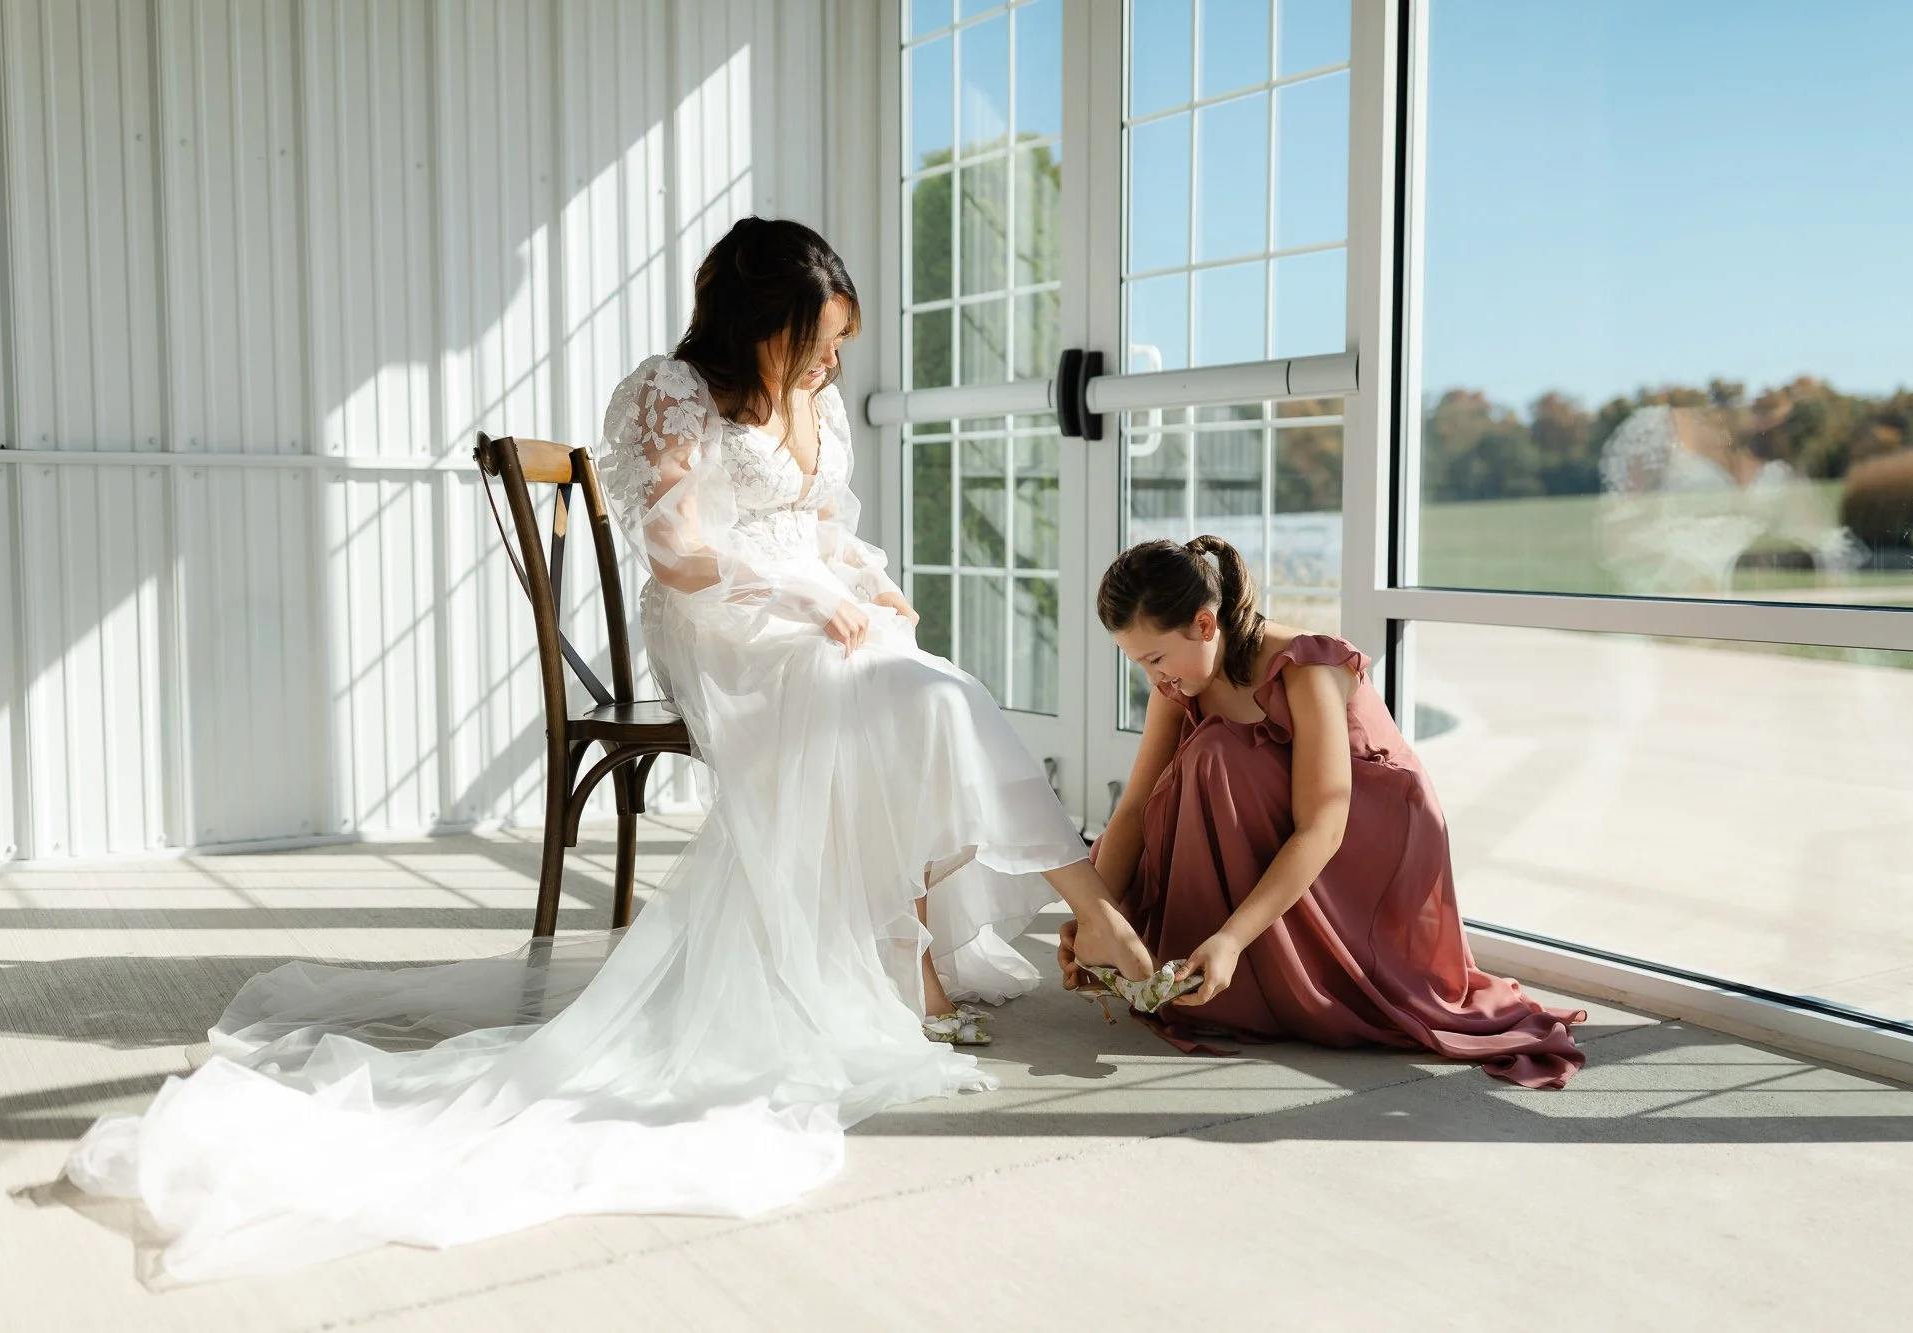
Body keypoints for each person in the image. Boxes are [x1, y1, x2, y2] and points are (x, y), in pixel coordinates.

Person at [60, 217, 1152, 1282]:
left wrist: (863, 581)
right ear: (757, 321)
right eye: (817, 335)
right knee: (903, 692)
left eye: (838, 340)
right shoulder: (666, 391)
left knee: (925, 687)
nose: (831, 357)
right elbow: (677, 550)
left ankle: (929, 943)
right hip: (724, 621)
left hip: (819, 611)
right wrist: (798, 593)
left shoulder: (813, 398)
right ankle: (1054, 912)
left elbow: (827, 529)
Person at [1062, 535, 1585, 1089]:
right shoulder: (1178, 686)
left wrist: (1233, 939)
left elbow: (1323, 825)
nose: (1154, 678)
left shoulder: (1305, 665)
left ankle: (1250, 960)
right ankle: (1225, 968)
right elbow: (1135, 808)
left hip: (1366, 844)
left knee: (1216, 754)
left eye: (1156, 658)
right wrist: (1097, 916)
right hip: (1281, 829)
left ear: (1205, 624)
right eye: (1138, 663)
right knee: (1210, 756)